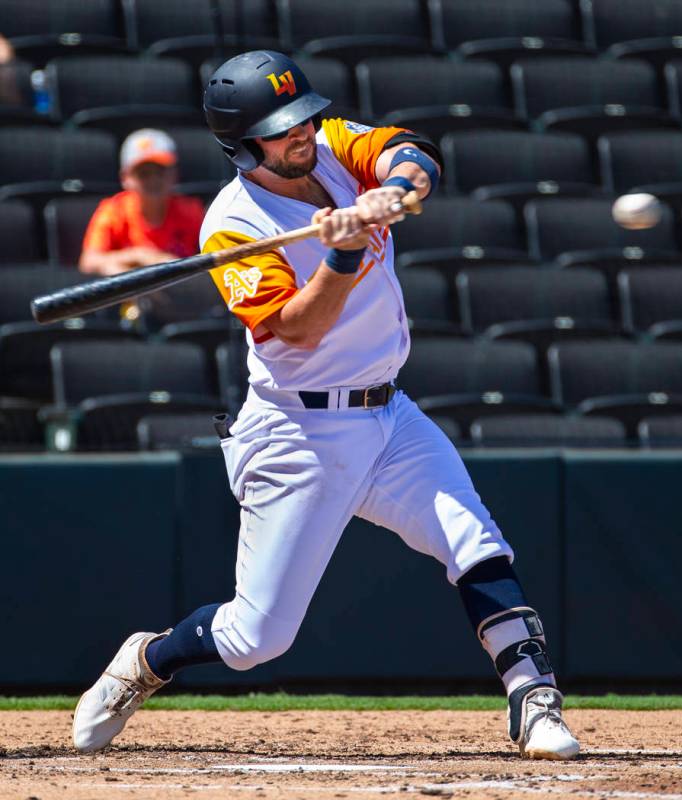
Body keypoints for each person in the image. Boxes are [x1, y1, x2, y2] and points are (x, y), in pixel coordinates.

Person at [72, 51, 580, 761]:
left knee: (474, 539)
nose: (301, 133)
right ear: (242, 144)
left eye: (302, 118)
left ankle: (534, 698)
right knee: (257, 639)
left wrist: (394, 193)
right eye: (280, 130)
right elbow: (300, 331)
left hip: (389, 414)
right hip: (297, 431)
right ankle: (148, 659)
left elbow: (415, 152)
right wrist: (341, 257)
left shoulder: (333, 144)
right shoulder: (233, 226)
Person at [79, 128, 204, 276]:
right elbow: (88, 262)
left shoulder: (192, 212)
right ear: (125, 178)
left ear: (174, 174)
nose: (154, 180)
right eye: (144, 174)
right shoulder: (113, 211)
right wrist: (140, 256)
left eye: (160, 172)